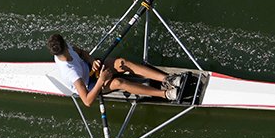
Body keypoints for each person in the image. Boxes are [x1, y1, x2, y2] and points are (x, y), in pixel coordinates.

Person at [48, 32, 179, 105]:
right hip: (91, 85)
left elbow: (82, 53)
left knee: (122, 63)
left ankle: (168, 78)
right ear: (63, 48)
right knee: (119, 83)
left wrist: (92, 60)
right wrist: (101, 80)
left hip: (90, 68)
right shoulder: (71, 73)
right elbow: (87, 101)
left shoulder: (68, 47)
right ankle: (166, 94)